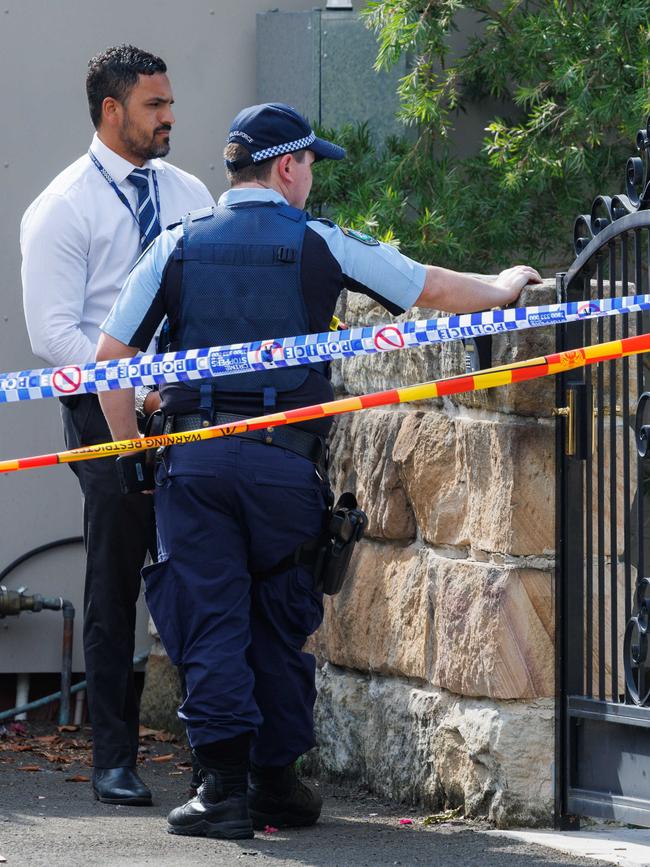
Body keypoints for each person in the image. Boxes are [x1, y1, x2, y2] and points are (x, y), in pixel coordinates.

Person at [95, 102, 541, 838]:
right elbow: (426, 286)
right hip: (284, 469)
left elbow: (109, 366)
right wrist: (499, 286)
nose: (311, 182)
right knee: (278, 622)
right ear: (286, 166)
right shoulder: (320, 244)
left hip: (195, 467)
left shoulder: (174, 245)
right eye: (310, 168)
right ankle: (277, 784)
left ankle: (223, 791)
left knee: (209, 621)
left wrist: (131, 455)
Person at [21, 44, 215, 806]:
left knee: (207, 571)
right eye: (154, 105)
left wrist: (179, 387)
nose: (170, 116)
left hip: (187, 409)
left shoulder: (191, 191)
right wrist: (134, 391)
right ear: (111, 110)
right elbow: (54, 335)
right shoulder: (62, 207)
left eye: (169, 103)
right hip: (102, 417)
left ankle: (219, 756)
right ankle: (113, 758)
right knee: (114, 579)